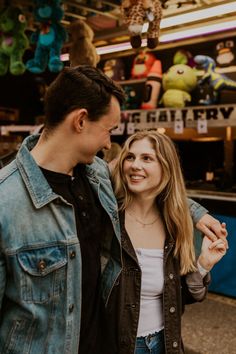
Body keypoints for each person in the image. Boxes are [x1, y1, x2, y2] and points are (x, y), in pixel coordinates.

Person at [0, 65, 226, 354]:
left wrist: (196, 213)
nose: (110, 143)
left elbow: (155, 187)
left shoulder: (96, 175)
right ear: (81, 121)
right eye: (108, 130)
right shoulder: (7, 201)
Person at [105, 130, 227, 354]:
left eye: (147, 158)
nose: (134, 165)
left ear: (166, 168)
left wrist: (203, 265)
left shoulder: (175, 224)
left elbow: (183, 297)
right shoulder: (107, 218)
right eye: (130, 157)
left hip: (165, 343)